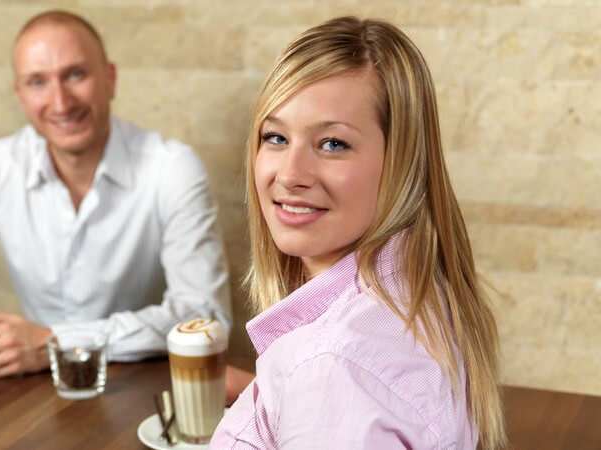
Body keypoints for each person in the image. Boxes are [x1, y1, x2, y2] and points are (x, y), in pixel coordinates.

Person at [212, 16, 505, 449]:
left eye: (333, 144)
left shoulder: (333, 366)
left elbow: (342, 387)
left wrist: (309, 379)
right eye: (275, 137)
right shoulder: (411, 290)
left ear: (401, 163)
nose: (290, 174)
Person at [0, 10, 231, 378]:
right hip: (34, 389)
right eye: (37, 82)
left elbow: (205, 315)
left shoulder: (172, 169)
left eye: (75, 74)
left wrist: (55, 342)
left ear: (110, 79)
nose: (60, 102)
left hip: (139, 387)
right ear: (20, 95)